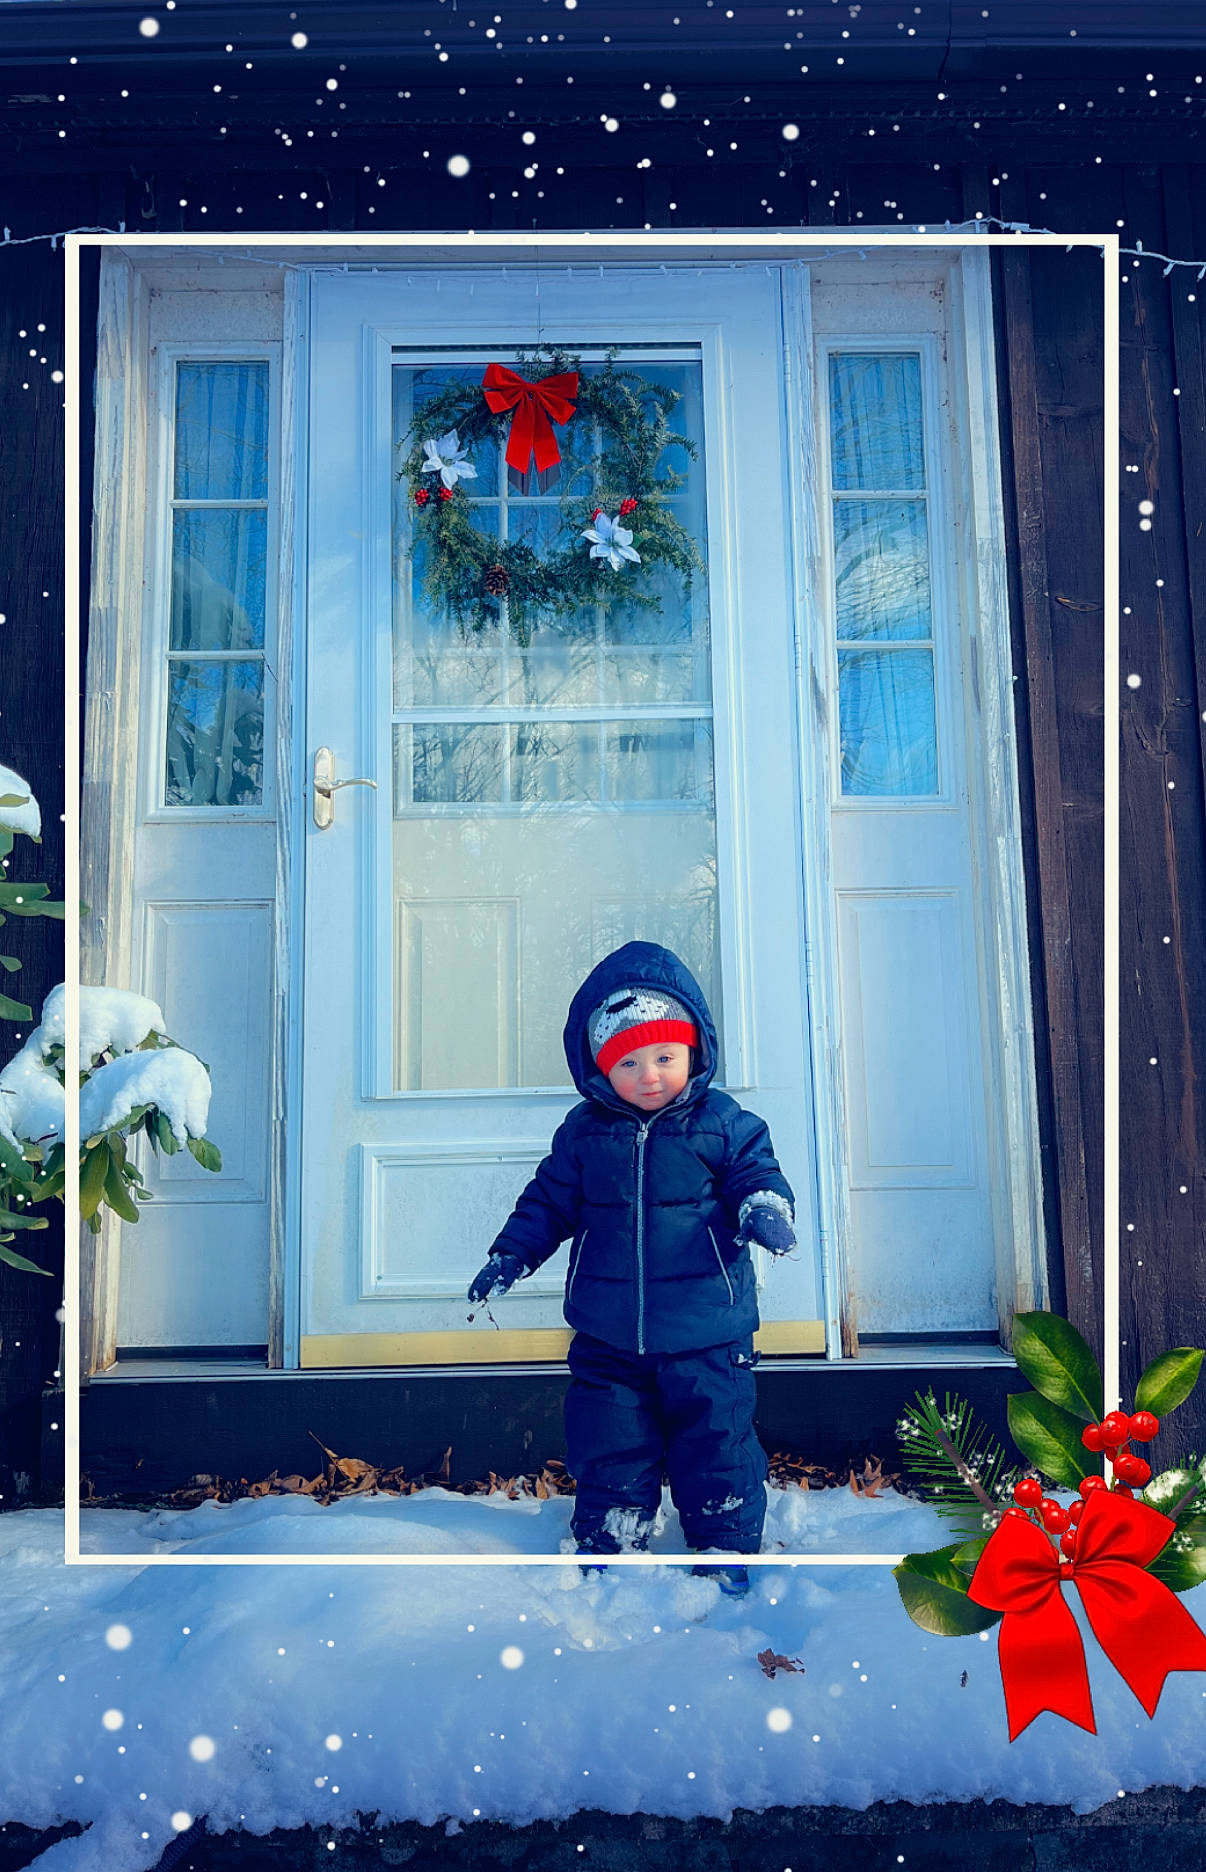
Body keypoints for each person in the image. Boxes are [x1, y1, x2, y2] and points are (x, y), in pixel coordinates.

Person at [466, 941, 796, 1596]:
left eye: (665, 1057)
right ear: (598, 1069)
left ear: (694, 1051)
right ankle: (612, 1536)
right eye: (629, 1062)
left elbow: (757, 1174)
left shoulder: (726, 1125)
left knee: (718, 1447)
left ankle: (723, 1541)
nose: (650, 1075)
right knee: (610, 1442)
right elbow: (547, 1204)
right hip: (610, 1336)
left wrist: (762, 1208)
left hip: (708, 1332)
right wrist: (511, 1254)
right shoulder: (584, 1136)